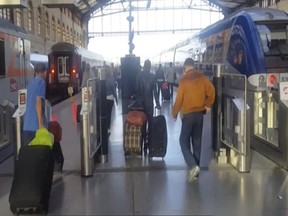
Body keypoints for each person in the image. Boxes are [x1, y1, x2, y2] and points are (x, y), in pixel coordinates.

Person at [172, 58, 215, 182]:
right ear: (193, 66)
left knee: (183, 141)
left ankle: (192, 166)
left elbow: (179, 99)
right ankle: (195, 173)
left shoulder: (184, 80)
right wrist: (208, 104)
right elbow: (211, 91)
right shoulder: (202, 77)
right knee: (197, 142)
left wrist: (174, 113)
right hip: (199, 114)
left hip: (188, 115)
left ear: (185, 67)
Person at [135, 59, 160, 153]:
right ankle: (149, 144)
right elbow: (155, 91)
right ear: (149, 67)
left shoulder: (139, 76)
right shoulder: (152, 76)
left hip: (141, 104)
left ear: (144, 66)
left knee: (142, 124)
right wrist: (157, 103)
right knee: (151, 123)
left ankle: (142, 144)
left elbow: (136, 89)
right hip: (150, 103)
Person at [22, 63, 47, 146]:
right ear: (44, 72)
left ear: (35, 72)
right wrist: (40, 124)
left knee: (30, 153)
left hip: (27, 125)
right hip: (36, 126)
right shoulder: (41, 82)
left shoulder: (30, 83)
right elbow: (38, 102)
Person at [106, 66, 118, 135]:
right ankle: (108, 129)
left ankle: (104, 128)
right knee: (109, 114)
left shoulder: (103, 79)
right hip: (110, 99)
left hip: (104, 99)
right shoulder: (112, 79)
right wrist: (116, 99)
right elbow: (114, 90)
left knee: (105, 114)